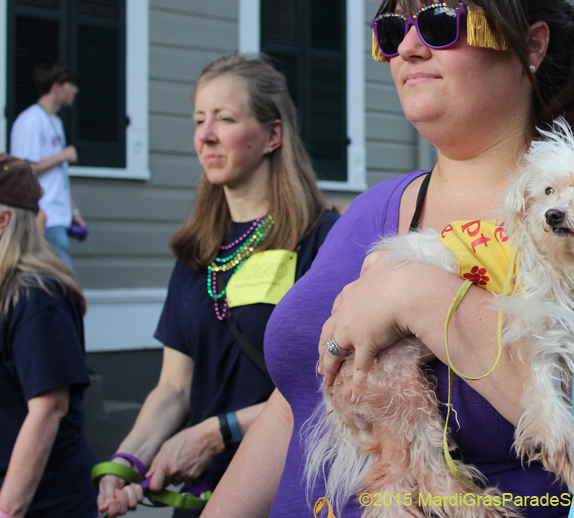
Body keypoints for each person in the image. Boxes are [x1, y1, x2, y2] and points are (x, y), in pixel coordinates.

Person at [205, 0, 574, 518]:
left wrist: (417, 294)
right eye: (392, 32)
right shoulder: (371, 212)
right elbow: (296, 403)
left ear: (531, 44)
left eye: (441, 23)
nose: (409, 48)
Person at [96, 54, 339, 517]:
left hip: (292, 490)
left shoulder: (322, 240)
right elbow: (174, 388)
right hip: (201, 495)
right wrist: (128, 460)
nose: (205, 135)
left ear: (272, 135)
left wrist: (216, 432)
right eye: (199, 120)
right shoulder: (197, 252)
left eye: (225, 119)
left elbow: (332, 383)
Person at [0, 154, 98, 518]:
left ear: (3, 220)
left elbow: (48, 410)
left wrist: (8, 510)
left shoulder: (36, 295)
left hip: (48, 502)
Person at [9, 62, 87, 268]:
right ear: (56, 87)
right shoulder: (30, 120)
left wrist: (74, 213)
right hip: (43, 215)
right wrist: (62, 155)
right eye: (71, 85)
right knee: (63, 276)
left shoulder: (55, 122)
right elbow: (23, 169)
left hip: (59, 215)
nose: (75, 91)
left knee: (55, 277)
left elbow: (57, 177)